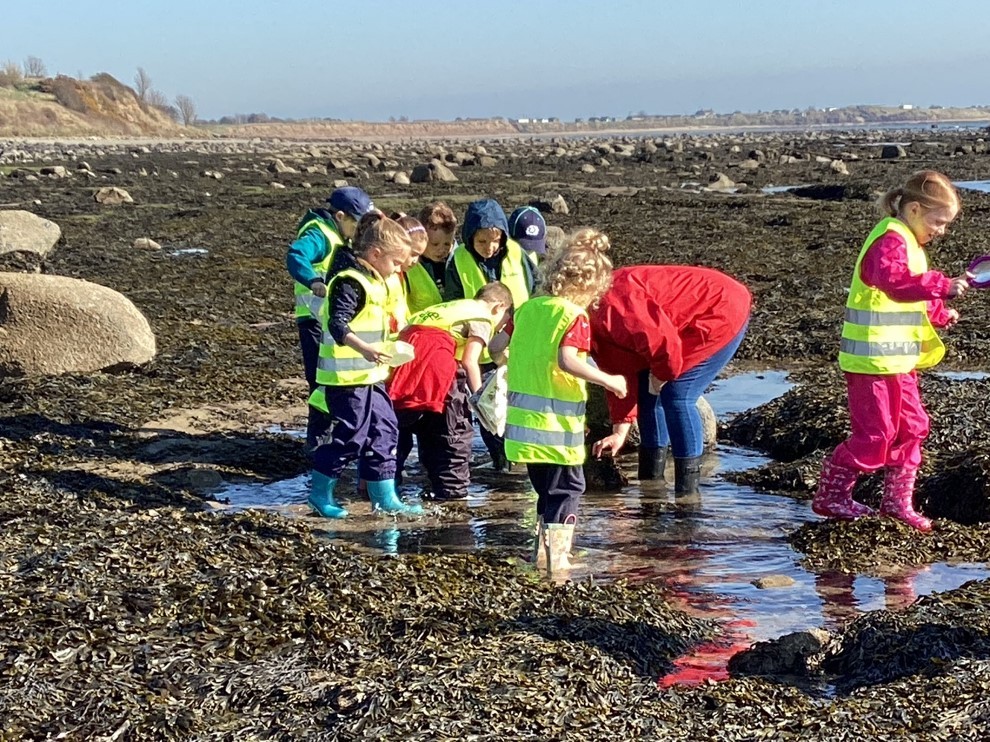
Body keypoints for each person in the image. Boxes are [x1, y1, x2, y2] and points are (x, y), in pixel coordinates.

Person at [812, 170, 969, 531]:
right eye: (939, 222)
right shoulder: (890, 239)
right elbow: (893, 282)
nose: (942, 230)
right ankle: (832, 496)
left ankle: (897, 503)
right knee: (876, 434)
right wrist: (942, 285)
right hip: (870, 361)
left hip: (898, 361)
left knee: (914, 427)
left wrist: (939, 312)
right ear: (914, 209)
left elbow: (911, 294)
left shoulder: (912, 245)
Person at [504, 228, 627, 576]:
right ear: (589, 287)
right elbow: (567, 360)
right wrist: (609, 380)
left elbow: (498, 346)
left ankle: (540, 555)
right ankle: (558, 561)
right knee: (569, 488)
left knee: (546, 492)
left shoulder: (527, 310)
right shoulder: (574, 316)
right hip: (556, 429)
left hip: (523, 429)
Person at [589, 265, 751, 494]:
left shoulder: (613, 307)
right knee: (647, 395)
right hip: (671, 328)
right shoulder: (590, 327)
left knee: (676, 395)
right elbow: (620, 375)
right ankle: (651, 488)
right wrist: (619, 431)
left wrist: (662, 375)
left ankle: (688, 495)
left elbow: (664, 345)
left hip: (720, 306)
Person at [306, 212, 423, 519]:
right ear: (375, 254)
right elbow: (337, 324)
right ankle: (320, 493)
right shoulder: (350, 282)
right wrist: (365, 348)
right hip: (345, 380)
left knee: (386, 430)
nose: (398, 269)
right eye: (395, 263)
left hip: (372, 377)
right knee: (350, 436)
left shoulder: (377, 280)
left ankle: (384, 497)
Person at [388, 282, 514, 500]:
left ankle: (382, 486)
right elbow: (469, 361)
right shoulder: (482, 317)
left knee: (400, 431)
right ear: (499, 307)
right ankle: (451, 493)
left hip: (402, 371)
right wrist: (481, 399)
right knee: (452, 434)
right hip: (437, 369)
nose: (498, 328)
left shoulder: (443, 309)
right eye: (503, 322)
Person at [445, 198, 537, 470]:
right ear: (470, 238)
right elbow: (453, 301)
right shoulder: (458, 260)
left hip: (518, 346)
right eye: (482, 241)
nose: (489, 247)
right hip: (480, 353)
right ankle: (501, 463)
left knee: (519, 405)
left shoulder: (518, 254)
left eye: (495, 241)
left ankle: (521, 462)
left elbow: (535, 289)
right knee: (489, 410)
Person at [286, 186, 375, 449]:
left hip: (330, 322)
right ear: (340, 216)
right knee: (321, 382)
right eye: (358, 223)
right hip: (313, 320)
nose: (362, 230)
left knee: (336, 380)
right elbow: (296, 254)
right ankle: (317, 444)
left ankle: (334, 439)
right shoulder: (319, 234)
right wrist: (313, 280)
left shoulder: (342, 236)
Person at [404, 202, 458, 314]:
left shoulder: (458, 259)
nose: (441, 249)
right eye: (435, 244)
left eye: (447, 244)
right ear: (422, 238)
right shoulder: (407, 265)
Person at [385, 213, 428, 331]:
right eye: (413, 254)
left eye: (419, 256)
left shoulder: (399, 274)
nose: (415, 261)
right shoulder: (388, 277)